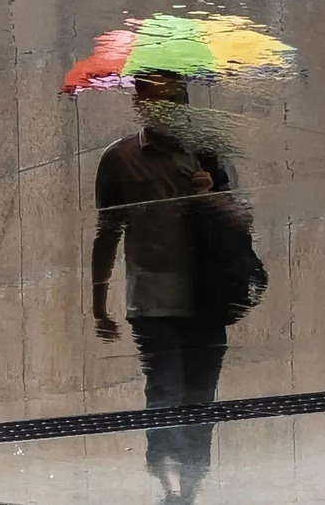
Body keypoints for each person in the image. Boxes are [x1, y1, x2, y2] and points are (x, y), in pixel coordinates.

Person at [91, 70, 234, 503]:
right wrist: (98, 302)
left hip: (207, 295)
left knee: (200, 391)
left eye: (176, 99)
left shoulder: (210, 155)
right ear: (140, 104)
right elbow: (107, 232)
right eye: (157, 100)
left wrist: (211, 195)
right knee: (165, 388)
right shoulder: (119, 159)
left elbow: (240, 223)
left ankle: (189, 484)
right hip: (152, 297)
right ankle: (169, 480)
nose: (168, 108)